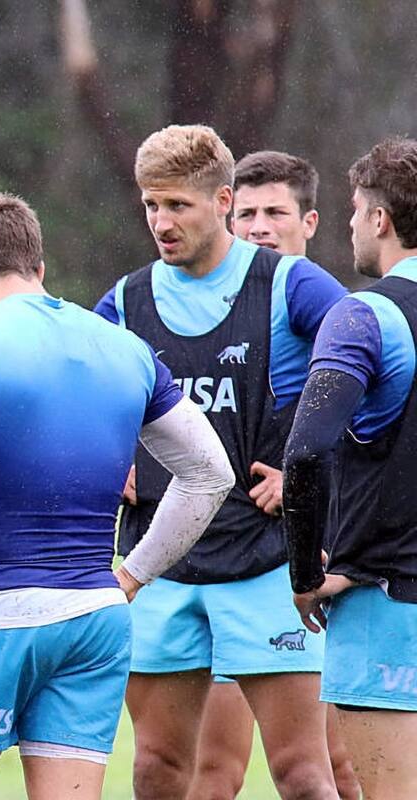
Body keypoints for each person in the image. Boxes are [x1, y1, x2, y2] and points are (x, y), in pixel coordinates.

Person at [0, 193, 234, 800]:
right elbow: (211, 474)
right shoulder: (125, 347)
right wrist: (133, 575)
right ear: (37, 270)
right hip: (94, 621)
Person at [94, 125, 346, 800]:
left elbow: (376, 367)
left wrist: (309, 473)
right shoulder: (125, 302)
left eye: (177, 205)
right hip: (159, 568)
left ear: (223, 201)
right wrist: (105, 452)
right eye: (151, 205)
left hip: (265, 566)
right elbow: (78, 396)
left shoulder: (289, 285)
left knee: (301, 773)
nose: (161, 221)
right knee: (157, 770)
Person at [187, 151, 359, 800]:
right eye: (247, 212)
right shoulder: (208, 306)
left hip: (326, 560)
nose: (259, 226)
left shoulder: (326, 310)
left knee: (332, 768)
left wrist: (302, 477)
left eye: (275, 213)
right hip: (233, 566)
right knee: (213, 774)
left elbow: (377, 412)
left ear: (309, 221)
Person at [285, 136, 417, 799]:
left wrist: (306, 572)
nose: (350, 224)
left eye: (355, 209)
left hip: (390, 610)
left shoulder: (364, 316)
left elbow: (306, 451)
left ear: (380, 219)